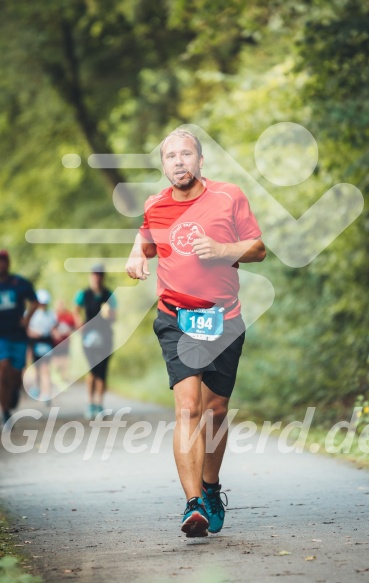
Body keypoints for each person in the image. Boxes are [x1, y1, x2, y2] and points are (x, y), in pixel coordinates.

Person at [125, 129, 266, 537]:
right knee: (187, 407)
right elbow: (147, 235)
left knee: (215, 410)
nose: (179, 162)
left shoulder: (228, 196)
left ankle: (210, 487)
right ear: (164, 165)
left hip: (224, 317)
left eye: (187, 154)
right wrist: (136, 251)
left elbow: (257, 248)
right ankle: (192, 506)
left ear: (201, 161)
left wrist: (222, 250)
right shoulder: (156, 206)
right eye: (171, 156)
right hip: (176, 317)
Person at [0, 249, 38, 426]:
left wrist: (27, 318)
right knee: (2, 370)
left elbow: (35, 301)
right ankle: (5, 412)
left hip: (18, 336)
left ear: (8, 262)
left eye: (3, 260)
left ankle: (14, 391)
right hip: (1, 337)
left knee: (14, 375)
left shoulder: (18, 283)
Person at [74, 264, 117, 420]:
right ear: (91, 276)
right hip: (88, 337)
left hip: (105, 336)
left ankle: (99, 404)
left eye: (100, 275)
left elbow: (114, 316)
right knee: (93, 369)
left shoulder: (108, 294)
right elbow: (76, 310)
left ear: (103, 277)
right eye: (95, 274)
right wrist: (78, 323)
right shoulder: (84, 294)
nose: (97, 277)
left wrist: (109, 313)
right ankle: (90, 403)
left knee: (102, 371)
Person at [27, 289, 58, 403]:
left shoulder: (51, 314)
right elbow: (26, 329)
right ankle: (37, 387)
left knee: (45, 369)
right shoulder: (31, 314)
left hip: (47, 343)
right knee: (37, 368)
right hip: (35, 343)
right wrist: (34, 334)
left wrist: (56, 333)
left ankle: (46, 393)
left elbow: (54, 328)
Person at [52, 299, 76, 382]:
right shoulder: (54, 315)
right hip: (56, 342)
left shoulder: (69, 316)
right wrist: (55, 333)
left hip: (65, 341)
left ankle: (63, 376)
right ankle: (57, 374)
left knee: (65, 359)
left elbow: (73, 326)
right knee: (57, 360)